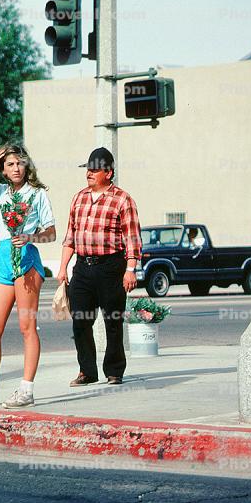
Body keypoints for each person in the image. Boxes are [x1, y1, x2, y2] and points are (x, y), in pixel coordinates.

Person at [0, 144, 56, 409]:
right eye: (10, 165)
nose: (16, 168)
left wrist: (31, 237)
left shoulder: (37, 194)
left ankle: (26, 390)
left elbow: (51, 232)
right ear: (4, 171)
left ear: (26, 166)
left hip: (26, 259)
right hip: (3, 260)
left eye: (19, 163)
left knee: (26, 327)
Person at [57, 147, 142, 386]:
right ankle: (87, 371)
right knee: (80, 321)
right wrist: (63, 268)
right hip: (82, 268)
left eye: (95, 170)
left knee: (112, 320)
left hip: (111, 267)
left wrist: (130, 269)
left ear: (108, 172)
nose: (89, 174)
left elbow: (132, 238)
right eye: (88, 169)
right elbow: (70, 236)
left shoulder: (122, 199)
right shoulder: (79, 197)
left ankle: (114, 371)